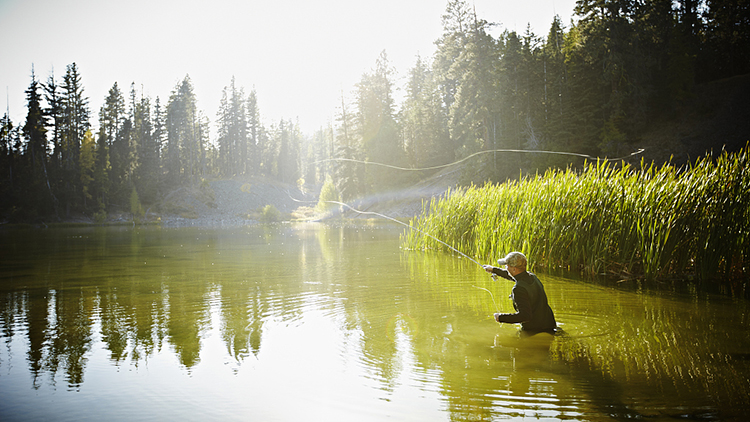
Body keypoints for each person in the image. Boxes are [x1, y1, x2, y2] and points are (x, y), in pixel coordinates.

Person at [483, 251, 557, 334]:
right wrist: (494, 270)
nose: (505, 267)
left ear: (514, 269)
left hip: (534, 331)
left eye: (506, 266)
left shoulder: (518, 289)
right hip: (549, 324)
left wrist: (501, 317)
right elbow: (515, 277)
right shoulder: (532, 276)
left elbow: (525, 316)